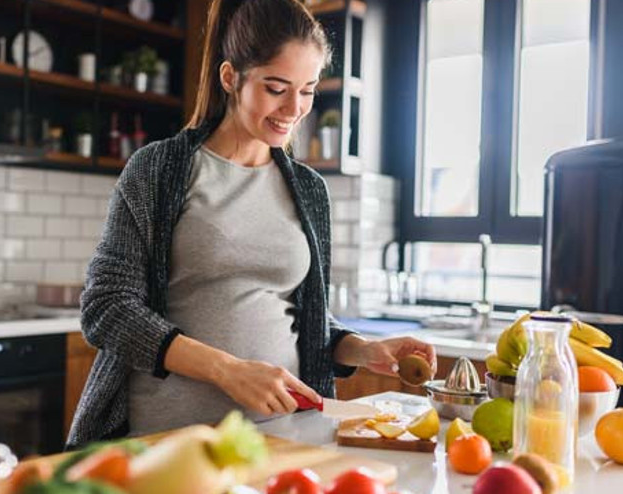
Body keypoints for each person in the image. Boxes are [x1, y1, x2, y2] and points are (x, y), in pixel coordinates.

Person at [66, 0, 436, 447]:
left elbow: (302, 317)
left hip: (286, 437)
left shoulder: (308, 189)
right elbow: (107, 308)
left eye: (308, 90)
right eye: (276, 88)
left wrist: (361, 348)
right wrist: (228, 371)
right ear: (230, 78)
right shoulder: (160, 170)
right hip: (171, 440)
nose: (294, 108)